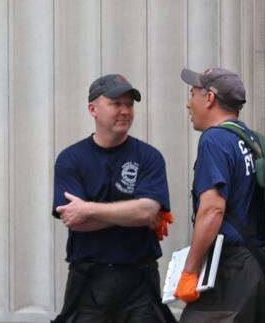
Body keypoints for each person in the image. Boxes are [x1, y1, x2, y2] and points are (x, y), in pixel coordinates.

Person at [51, 74, 174, 322]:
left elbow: (148, 213)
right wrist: (132, 213)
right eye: (116, 104)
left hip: (139, 283)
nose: (125, 111)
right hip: (89, 281)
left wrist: (89, 209)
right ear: (93, 109)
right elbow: (75, 220)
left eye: (129, 104)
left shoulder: (149, 157)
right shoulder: (71, 159)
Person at [176, 68, 265, 322]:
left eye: (192, 94)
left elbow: (212, 210)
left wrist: (190, 271)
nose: (188, 103)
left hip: (230, 268)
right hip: (258, 267)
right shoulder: (254, 141)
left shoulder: (214, 140)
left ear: (210, 98)